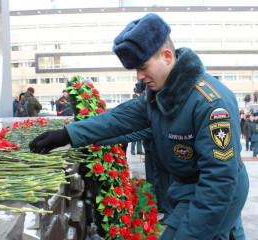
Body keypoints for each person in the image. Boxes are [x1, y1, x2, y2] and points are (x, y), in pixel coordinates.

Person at [30, 13, 249, 239]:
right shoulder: (161, 95)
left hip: (214, 192)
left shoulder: (211, 104)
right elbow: (118, 119)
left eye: (143, 67)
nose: (139, 76)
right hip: (188, 188)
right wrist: (67, 134)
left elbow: (219, 182)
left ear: (166, 57)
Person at [131, 81, 146, 155]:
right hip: (135, 119)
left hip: (140, 120)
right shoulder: (135, 96)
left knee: (140, 137)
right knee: (134, 137)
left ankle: (139, 150)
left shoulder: (143, 96)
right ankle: (133, 150)